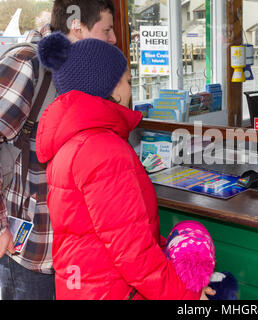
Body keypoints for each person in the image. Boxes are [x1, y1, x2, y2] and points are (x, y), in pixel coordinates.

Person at [36, 32, 211, 300]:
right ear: (111, 88)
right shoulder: (103, 150)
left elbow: (115, 231)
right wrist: (185, 295)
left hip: (84, 286)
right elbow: (133, 253)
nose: (131, 90)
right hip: (112, 289)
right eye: (128, 81)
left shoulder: (73, 143)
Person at [0, 0, 117, 300]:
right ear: (77, 28)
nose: (114, 39)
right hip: (26, 253)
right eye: (107, 30)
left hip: (68, 256)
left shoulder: (81, 74)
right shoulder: (29, 64)